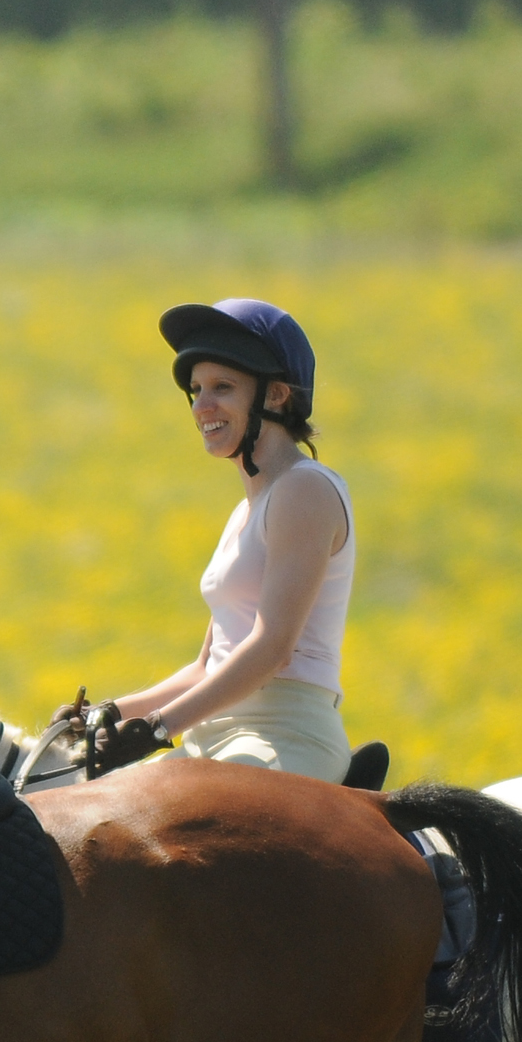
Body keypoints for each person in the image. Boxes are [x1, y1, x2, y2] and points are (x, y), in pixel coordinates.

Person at [80, 299, 354, 783]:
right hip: (210, 733)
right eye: (196, 390)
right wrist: (107, 714)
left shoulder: (304, 489)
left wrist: (157, 729)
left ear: (276, 395)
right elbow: (205, 667)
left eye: (222, 387)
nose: (201, 406)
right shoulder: (246, 511)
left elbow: (272, 649)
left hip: (285, 734)